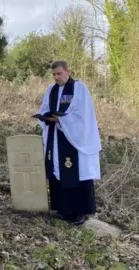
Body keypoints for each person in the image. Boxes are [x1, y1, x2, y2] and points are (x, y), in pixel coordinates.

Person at [37, 60, 102, 226]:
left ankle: (80, 212)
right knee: (57, 170)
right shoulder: (51, 90)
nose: (56, 77)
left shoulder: (79, 88)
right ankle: (63, 210)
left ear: (68, 71)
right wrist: (45, 117)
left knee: (75, 171)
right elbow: (44, 108)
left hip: (75, 140)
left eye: (59, 73)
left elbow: (83, 115)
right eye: (54, 75)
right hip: (56, 138)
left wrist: (62, 119)